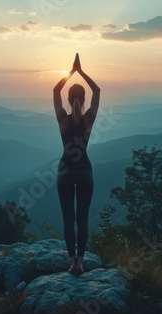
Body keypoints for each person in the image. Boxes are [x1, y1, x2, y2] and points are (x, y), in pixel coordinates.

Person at [53, 53, 100, 275]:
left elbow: (55, 91)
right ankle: (80, 262)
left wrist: (69, 73)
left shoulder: (62, 118)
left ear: (70, 99)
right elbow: (97, 91)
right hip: (84, 171)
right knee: (82, 219)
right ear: (82, 99)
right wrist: (81, 72)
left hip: (65, 171)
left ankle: (71, 262)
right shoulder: (88, 119)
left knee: (68, 219)